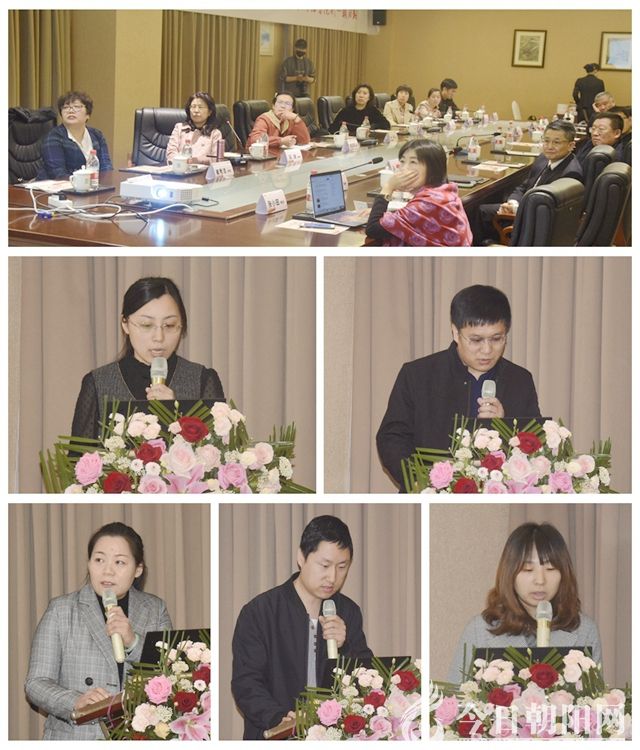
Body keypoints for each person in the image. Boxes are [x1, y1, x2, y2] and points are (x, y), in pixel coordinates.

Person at [377, 285, 541, 488]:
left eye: (497, 339)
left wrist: (505, 426)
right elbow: (392, 439)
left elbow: (535, 445)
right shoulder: (418, 375)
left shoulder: (520, 380)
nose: (487, 350)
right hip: (431, 492)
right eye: (476, 340)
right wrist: (423, 482)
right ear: (455, 332)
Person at [25, 522, 172, 740]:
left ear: (138, 569)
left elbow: (170, 673)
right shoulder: (61, 610)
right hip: (77, 736)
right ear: (89, 563)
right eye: (99, 560)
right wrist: (75, 701)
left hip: (137, 735)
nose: (107, 571)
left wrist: (133, 642)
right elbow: (36, 684)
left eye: (119, 562)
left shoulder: (154, 609)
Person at [231, 515, 372, 740]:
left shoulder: (348, 612)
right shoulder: (261, 611)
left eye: (342, 567)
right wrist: (278, 718)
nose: (332, 577)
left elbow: (366, 680)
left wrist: (345, 647)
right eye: (324, 565)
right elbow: (246, 682)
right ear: (301, 557)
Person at [71, 277, 225, 440]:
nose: (159, 337)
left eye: (169, 325)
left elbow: (221, 450)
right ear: (125, 324)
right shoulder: (98, 383)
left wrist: (177, 414)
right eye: (146, 325)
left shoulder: (202, 380)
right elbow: (79, 454)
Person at [447, 522, 602, 684]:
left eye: (550, 569)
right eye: (528, 569)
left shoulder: (585, 631)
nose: (540, 580)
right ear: (510, 573)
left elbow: (594, 697)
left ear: (564, 573)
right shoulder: (479, 630)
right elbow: (455, 694)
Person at [476, 120, 583, 244]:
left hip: (533, 223)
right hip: (523, 207)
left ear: (571, 145)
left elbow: (550, 214)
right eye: (546, 140)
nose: (549, 146)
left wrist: (517, 210)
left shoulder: (570, 173)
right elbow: (524, 186)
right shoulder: (543, 158)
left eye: (556, 142)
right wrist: (513, 202)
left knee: (480, 211)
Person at [365, 139, 472, 247]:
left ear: (432, 168)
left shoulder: (428, 203)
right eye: (402, 161)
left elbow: (373, 229)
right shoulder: (442, 191)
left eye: (413, 162)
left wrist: (388, 187)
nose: (404, 168)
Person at [38, 90, 113, 179]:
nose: (71, 111)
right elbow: (58, 174)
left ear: (88, 114)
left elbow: (106, 168)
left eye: (77, 107)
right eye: (66, 107)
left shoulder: (97, 135)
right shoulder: (53, 137)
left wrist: (104, 183)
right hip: (59, 186)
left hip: (92, 185)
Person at [166, 91, 230, 165]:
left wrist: (195, 161)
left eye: (200, 107)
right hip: (179, 169)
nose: (196, 111)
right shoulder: (179, 128)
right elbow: (171, 153)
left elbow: (216, 160)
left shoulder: (215, 133)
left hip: (204, 171)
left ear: (209, 112)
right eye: (193, 107)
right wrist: (180, 163)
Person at [246, 92, 310, 149]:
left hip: (280, 154)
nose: (283, 106)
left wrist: (297, 119)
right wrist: (281, 141)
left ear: (292, 109)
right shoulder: (264, 119)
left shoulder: (291, 120)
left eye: (287, 104)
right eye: (280, 102)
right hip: (260, 155)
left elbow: (304, 141)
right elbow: (255, 139)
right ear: (273, 106)